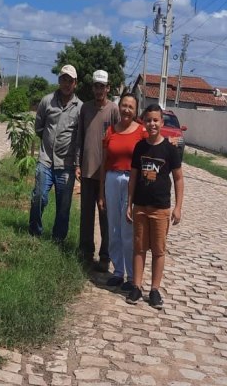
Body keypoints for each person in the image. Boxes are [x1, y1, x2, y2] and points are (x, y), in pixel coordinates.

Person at [126, 104, 184, 309]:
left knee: (158, 250)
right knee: (139, 248)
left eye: (156, 120)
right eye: (148, 120)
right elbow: (133, 177)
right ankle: (136, 286)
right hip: (140, 206)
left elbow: (178, 179)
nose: (152, 124)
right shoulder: (140, 147)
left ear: (162, 122)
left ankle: (154, 290)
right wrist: (129, 203)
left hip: (160, 208)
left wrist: (178, 207)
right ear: (144, 121)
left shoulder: (170, 149)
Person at [29, 64, 82, 242]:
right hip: (45, 160)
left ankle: (58, 239)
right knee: (38, 197)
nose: (67, 84)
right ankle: (34, 233)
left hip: (66, 165)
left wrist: (76, 163)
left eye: (70, 81)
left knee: (64, 205)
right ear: (59, 80)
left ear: (75, 83)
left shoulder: (79, 107)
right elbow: (39, 127)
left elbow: (79, 138)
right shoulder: (47, 101)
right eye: (64, 79)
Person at [98, 93, 146, 291]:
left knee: (128, 229)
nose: (126, 110)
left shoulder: (141, 132)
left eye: (131, 107)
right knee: (113, 227)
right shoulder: (110, 131)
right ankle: (118, 271)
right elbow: (104, 163)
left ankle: (131, 275)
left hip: (131, 181)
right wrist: (101, 192)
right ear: (119, 107)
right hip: (111, 179)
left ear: (136, 111)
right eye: (124, 105)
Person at [77, 69, 120, 271]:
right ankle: (85, 252)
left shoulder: (113, 110)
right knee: (86, 216)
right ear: (92, 87)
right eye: (96, 86)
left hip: (107, 174)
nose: (99, 90)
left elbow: (119, 137)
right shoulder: (85, 109)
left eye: (102, 86)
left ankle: (105, 255)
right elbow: (80, 138)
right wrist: (77, 164)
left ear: (108, 88)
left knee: (105, 216)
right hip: (87, 171)